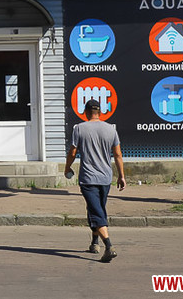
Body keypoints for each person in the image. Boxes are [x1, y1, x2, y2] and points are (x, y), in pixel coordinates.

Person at [64, 98, 126, 263]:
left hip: (88, 178)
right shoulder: (111, 129)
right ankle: (94, 242)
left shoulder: (79, 128)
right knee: (96, 209)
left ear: (86, 112)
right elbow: (118, 154)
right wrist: (121, 176)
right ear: (100, 112)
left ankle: (109, 246)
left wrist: (67, 168)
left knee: (96, 211)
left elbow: (72, 152)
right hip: (105, 178)